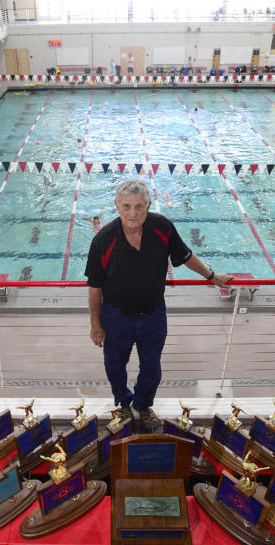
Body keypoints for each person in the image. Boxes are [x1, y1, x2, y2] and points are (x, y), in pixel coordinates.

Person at [85, 180, 232, 432]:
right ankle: (122, 403)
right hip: (116, 317)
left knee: (152, 368)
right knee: (114, 366)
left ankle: (142, 405)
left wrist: (211, 275)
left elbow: (185, 256)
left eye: (139, 206)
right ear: (117, 207)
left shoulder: (162, 227)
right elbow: (94, 288)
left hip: (153, 315)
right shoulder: (103, 240)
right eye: (127, 206)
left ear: (148, 205)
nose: (133, 213)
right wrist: (95, 325)